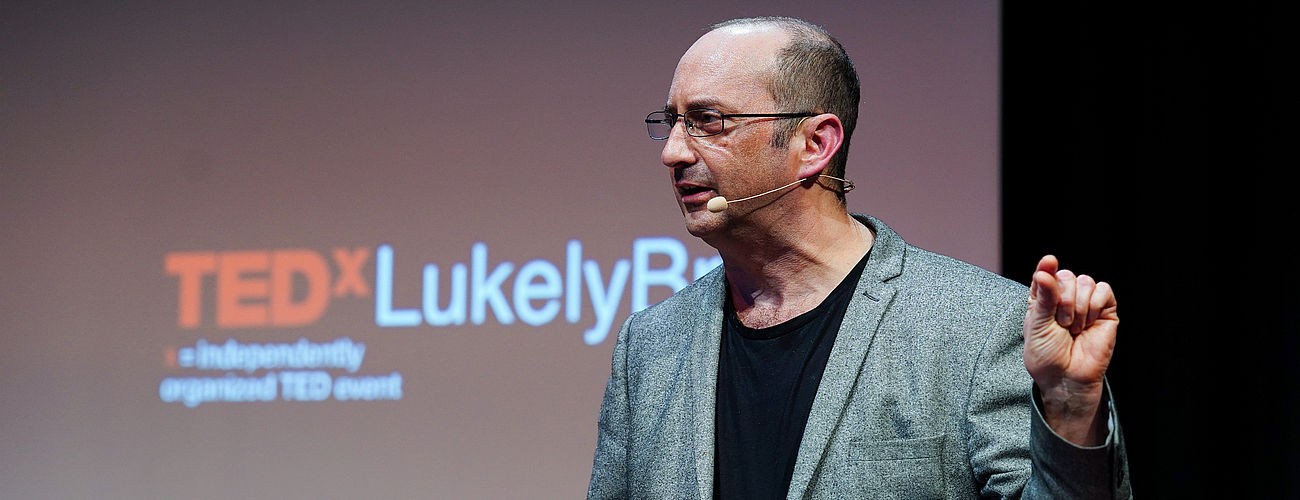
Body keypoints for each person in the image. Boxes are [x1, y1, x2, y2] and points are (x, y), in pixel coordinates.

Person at [587, 16, 1131, 499]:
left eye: (708, 121)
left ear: (815, 144)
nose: (672, 152)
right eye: (672, 121)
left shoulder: (978, 326)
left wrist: (1068, 412)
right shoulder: (651, 345)